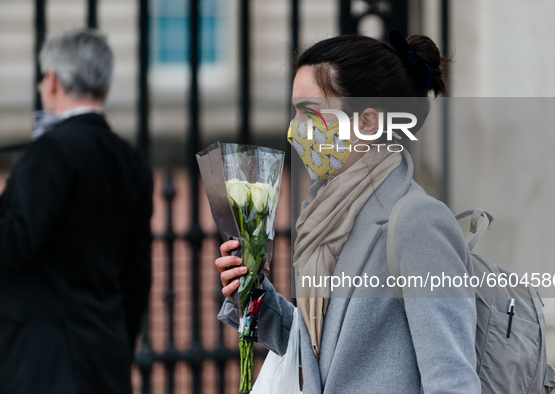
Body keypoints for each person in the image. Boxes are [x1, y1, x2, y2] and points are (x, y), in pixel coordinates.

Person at [216, 30, 480, 393]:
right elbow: (324, 356)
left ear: (369, 122)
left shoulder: (417, 221)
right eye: (295, 113)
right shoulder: (328, 217)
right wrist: (254, 295)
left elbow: (452, 380)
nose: (295, 130)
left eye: (309, 112)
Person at [0, 29, 152, 393]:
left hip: (41, 364)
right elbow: (137, 275)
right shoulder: (131, 161)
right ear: (106, 87)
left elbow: (12, 247)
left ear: (51, 80)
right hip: (106, 355)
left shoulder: (49, 152)